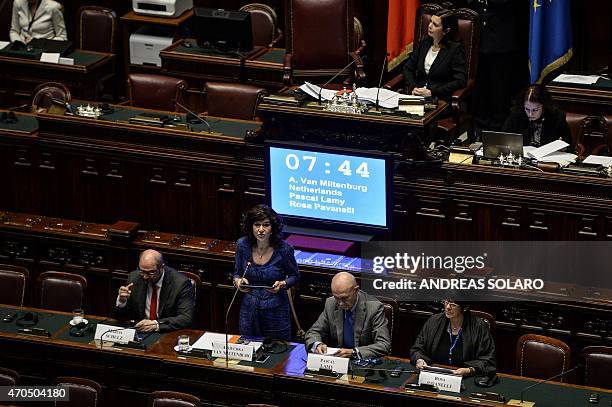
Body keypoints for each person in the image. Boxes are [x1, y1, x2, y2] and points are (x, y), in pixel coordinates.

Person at [233, 204, 299, 340]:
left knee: (278, 351)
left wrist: (283, 284)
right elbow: (237, 274)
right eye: (257, 225)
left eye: (266, 225)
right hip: (249, 308)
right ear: (251, 227)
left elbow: (295, 276)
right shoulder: (242, 245)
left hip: (276, 309)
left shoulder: (284, 249)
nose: (261, 230)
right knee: (248, 346)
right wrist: (238, 282)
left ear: (272, 228)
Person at [305, 272, 391, 359]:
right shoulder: (331, 303)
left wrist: (354, 352)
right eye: (336, 297)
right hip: (337, 360)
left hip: (363, 363)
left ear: (356, 290)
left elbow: (384, 345)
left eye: (344, 298)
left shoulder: (374, 308)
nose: (340, 303)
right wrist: (317, 344)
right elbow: (313, 332)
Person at [410, 300, 496, 377]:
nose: (447, 307)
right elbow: (417, 349)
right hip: (433, 375)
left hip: (464, 378)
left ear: (464, 307)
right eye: (446, 302)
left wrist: (469, 370)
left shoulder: (478, 327)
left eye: (453, 304)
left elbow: (488, 361)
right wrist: (419, 360)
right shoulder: (434, 321)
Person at [115, 249, 194, 333]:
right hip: (140, 331)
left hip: (166, 332)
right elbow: (121, 317)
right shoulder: (134, 278)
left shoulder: (180, 283)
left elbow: (186, 318)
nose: (145, 276)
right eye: (142, 271)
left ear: (162, 267)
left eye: (151, 273)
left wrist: (155, 325)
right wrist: (122, 302)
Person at [402, 9, 467, 101]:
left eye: (435, 25)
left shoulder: (455, 50)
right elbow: (408, 68)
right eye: (430, 22)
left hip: (438, 99)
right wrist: (414, 87)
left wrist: (432, 92)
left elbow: (460, 81)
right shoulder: (424, 43)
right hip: (416, 96)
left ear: (446, 31)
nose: (429, 26)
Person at [502, 84, 572, 147]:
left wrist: (563, 146)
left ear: (544, 106)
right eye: (527, 109)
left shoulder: (556, 117)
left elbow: (569, 145)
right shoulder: (516, 115)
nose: (530, 114)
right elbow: (503, 139)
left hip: (547, 159)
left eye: (535, 110)